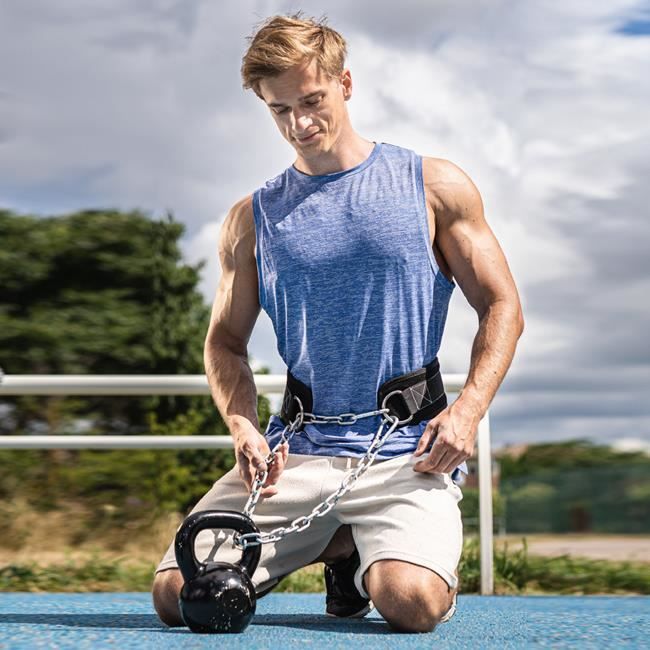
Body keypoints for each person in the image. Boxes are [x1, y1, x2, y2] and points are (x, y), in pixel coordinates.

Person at [152, 12, 524, 634]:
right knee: (179, 596)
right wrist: (243, 426)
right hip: (295, 453)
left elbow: (502, 304)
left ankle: (365, 556)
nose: (299, 123)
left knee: (410, 605)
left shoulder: (433, 186)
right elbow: (225, 341)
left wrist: (467, 412)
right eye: (279, 110)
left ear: (345, 84)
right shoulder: (252, 219)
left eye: (312, 100)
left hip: (406, 452)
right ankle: (338, 539)